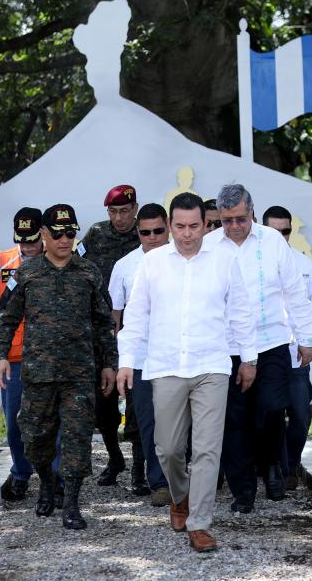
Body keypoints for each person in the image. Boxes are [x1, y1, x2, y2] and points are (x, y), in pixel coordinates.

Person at [116, 192, 257, 553]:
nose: (187, 234)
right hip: (165, 366)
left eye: (195, 226)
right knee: (168, 448)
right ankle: (179, 496)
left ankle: (199, 522)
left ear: (204, 223)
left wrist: (249, 359)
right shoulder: (152, 263)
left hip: (211, 365)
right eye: (179, 226)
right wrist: (126, 361)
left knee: (208, 449)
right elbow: (135, 317)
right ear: (170, 224)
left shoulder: (224, 259)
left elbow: (241, 312)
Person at [0, 204, 118, 529]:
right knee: (33, 437)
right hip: (38, 375)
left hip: (79, 375)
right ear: (44, 234)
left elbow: (104, 323)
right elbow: (7, 319)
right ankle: (47, 482)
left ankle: (72, 504)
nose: (65, 240)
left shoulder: (89, 273)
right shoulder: (26, 274)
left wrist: (109, 365)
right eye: (58, 233)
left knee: (77, 439)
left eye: (70, 233)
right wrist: (2, 355)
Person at [212, 184, 312, 512]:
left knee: (271, 408)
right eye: (227, 221)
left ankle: (272, 463)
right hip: (226, 347)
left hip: (271, 341)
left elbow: (295, 291)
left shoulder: (272, 241)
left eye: (240, 219)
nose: (233, 227)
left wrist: (307, 338)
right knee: (234, 418)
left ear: (252, 213)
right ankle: (243, 490)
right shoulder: (209, 247)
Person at [0, 207, 48, 502]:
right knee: (15, 419)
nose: (28, 246)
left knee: (52, 418)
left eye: (33, 238)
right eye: (22, 239)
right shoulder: (0, 262)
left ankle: (56, 477)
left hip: (50, 355)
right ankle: (20, 474)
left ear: (43, 233)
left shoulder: (57, 259)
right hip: (13, 357)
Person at [262, 206, 312, 490]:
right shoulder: (253, 263)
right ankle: (275, 470)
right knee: (268, 415)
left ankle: (290, 464)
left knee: (300, 413)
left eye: (286, 231)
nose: (281, 236)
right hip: (264, 355)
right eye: (275, 231)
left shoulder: (303, 265)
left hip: (298, 357)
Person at [109, 203, 172, 504]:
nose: (152, 237)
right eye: (145, 232)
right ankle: (160, 482)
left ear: (168, 227)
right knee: (148, 421)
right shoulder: (124, 266)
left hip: (180, 356)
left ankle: (188, 477)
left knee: (183, 421)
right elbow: (115, 320)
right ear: (138, 232)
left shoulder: (186, 260)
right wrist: (122, 363)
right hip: (143, 359)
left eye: (158, 231)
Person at [79, 184, 141, 486]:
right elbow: (77, 265)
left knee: (138, 397)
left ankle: (141, 468)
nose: (119, 218)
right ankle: (115, 457)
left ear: (135, 209)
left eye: (125, 211)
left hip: (137, 327)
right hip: (102, 329)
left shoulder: (144, 235)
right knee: (103, 400)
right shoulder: (96, 234)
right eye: (114, 212)